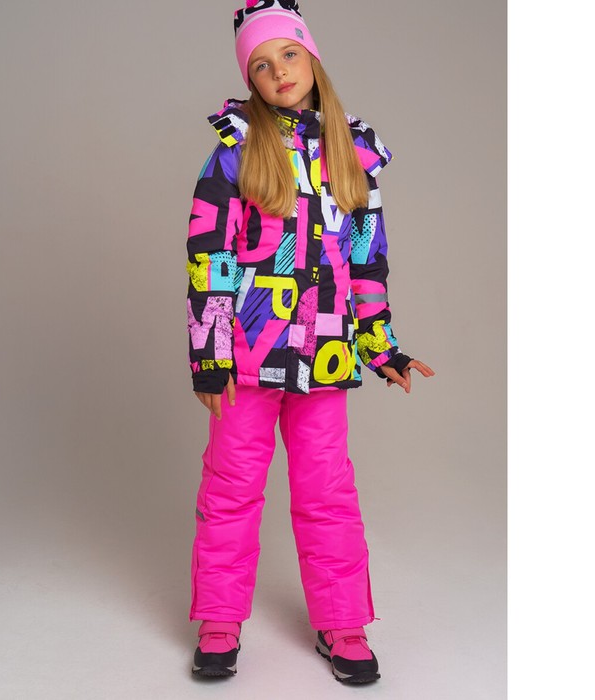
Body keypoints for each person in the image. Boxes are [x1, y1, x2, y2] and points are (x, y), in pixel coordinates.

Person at [185, 0, 434, 684]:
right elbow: (209, 255)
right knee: (232, 488)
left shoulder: (352, 155)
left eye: (288, 54)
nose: (279, 72)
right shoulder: (236, 152)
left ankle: (343, 623)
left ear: (312, 56)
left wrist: (380, 347)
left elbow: (367, 261)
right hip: (246, 360)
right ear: (251, 80)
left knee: (327, 493)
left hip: (324, 359)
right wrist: (210, 357)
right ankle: (219, 619)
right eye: (262, 65)